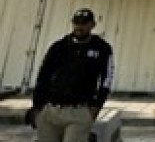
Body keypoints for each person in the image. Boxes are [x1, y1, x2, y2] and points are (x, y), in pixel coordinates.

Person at [26, 8, 114, 142]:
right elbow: (43, 76)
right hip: (51, 111)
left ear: (92, 25)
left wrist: (96, 107)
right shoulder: (59, 47)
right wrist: (37, 107)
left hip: (79, 111)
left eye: (84, 23)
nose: (79, 26)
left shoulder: (102, 48)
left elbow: (106, 79)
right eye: (76, 22)